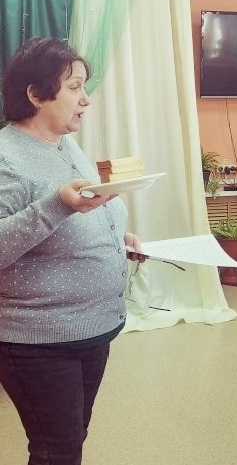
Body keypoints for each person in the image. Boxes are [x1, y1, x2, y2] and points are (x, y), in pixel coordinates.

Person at [0, 37, 145, 465]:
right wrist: (56, 205)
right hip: (39, 339)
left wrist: (117, 240)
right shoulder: (7, 158)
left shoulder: (65, 144)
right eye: (74, 87)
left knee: (70, 440)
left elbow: (83, 213)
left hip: (91, 328)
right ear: (35, 94)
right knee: (56, 451)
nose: (86, 99)